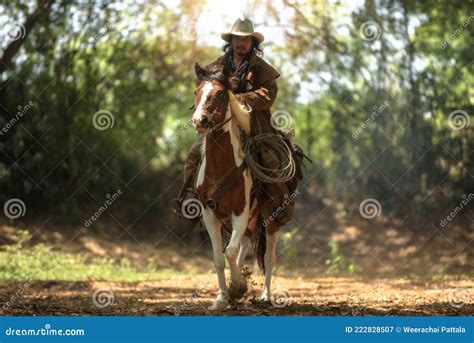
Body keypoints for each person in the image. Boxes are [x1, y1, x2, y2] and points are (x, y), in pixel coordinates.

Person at [173, 18, 302, 231]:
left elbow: (268, 95)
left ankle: (278, 204)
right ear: (231, 41)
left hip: (254, 125)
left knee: (270, 159)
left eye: (246, 39)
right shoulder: (217, 65)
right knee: (194, 155)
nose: (241, 43)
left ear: (253, 42)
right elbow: (207, 87)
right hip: (221, 124)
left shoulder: (262, 69)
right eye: (237, 39)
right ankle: (188, 197)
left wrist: (240, 99)